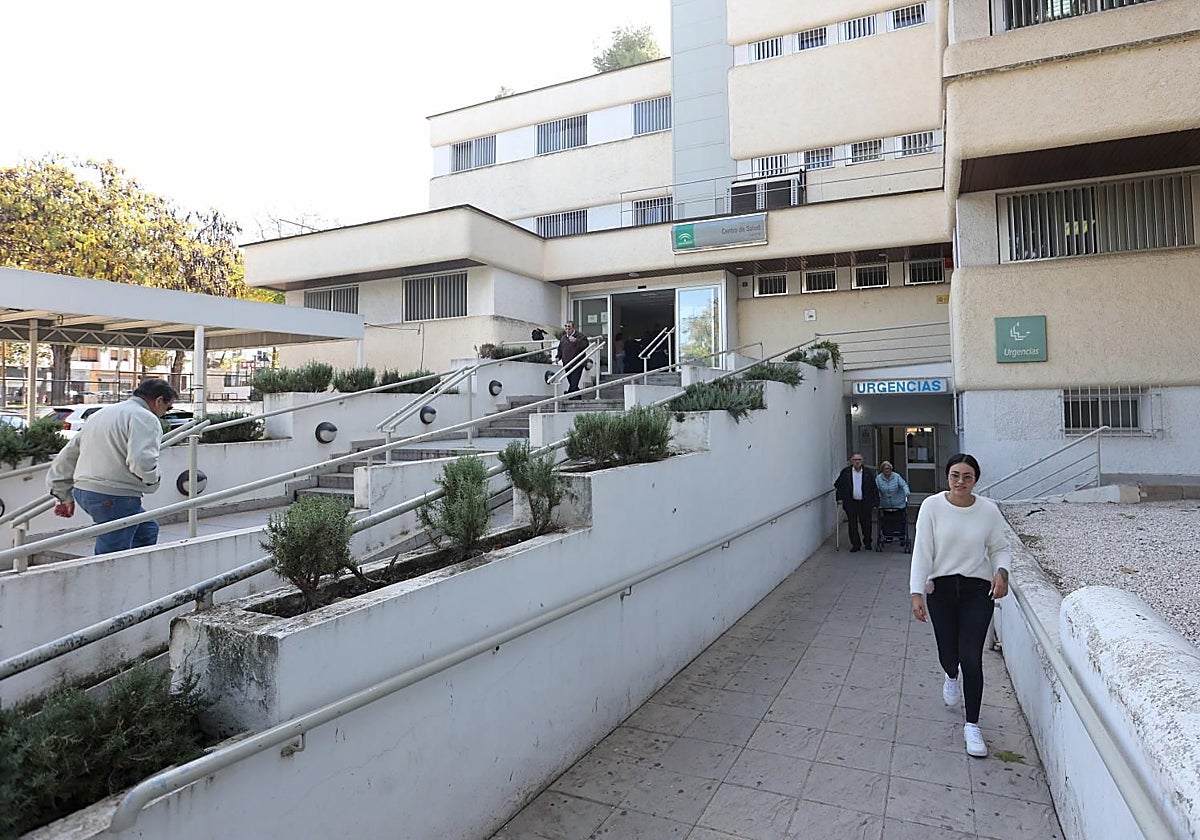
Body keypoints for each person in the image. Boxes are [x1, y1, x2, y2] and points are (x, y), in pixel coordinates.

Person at [909, 453, 1012, 759]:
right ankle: (950, 676)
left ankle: (972, 725)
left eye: (967, 476)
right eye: (955, 475)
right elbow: (922, 551)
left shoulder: (988, 511)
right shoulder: (932, 507)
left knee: (971, 658)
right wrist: (916, 592)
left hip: (976, 590)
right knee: (948, 655)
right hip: (940, 589)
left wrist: (1001, 572)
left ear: (976, 479)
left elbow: (1000, 549)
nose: (960, 482)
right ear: (947, 477)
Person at [46, 378, 179, 555]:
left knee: (146, 529)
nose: (164, 413)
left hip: (84, 492)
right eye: (167, 408)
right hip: (114, 495)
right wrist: (154, 479)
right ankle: (109, 580)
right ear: (159, 400)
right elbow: (141, 462)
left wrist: (62, 495)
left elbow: (68, 455)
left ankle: (135, 574)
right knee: (112, 553)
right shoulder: (145, 417)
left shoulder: (101, 414)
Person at [833, 453, 878, 552]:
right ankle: (855, 544)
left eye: (859, 460)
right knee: (852, 524)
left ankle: (867, 542)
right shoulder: (846, 472)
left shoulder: (868, 473)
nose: (857, 462)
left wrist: (875, 502)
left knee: (866, 524)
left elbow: (874, 488)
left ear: (862, 461)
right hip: (851, 502)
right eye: (855, 460)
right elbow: (838, 485)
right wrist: (839, 498)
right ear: (851, 461)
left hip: (865, 502)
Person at [555, 321, 589, 398]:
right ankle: (577, 395)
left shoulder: (579, 336)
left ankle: (570, 394)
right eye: (566, 327)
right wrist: (558, 357)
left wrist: (576, 341)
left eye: (569, 327)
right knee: (571, 381)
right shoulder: (563, 338)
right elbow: (560, 349)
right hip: (567, 363)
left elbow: (585, 345)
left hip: (577, 363)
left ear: (573, 328)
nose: (567, 329)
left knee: (574, 382)